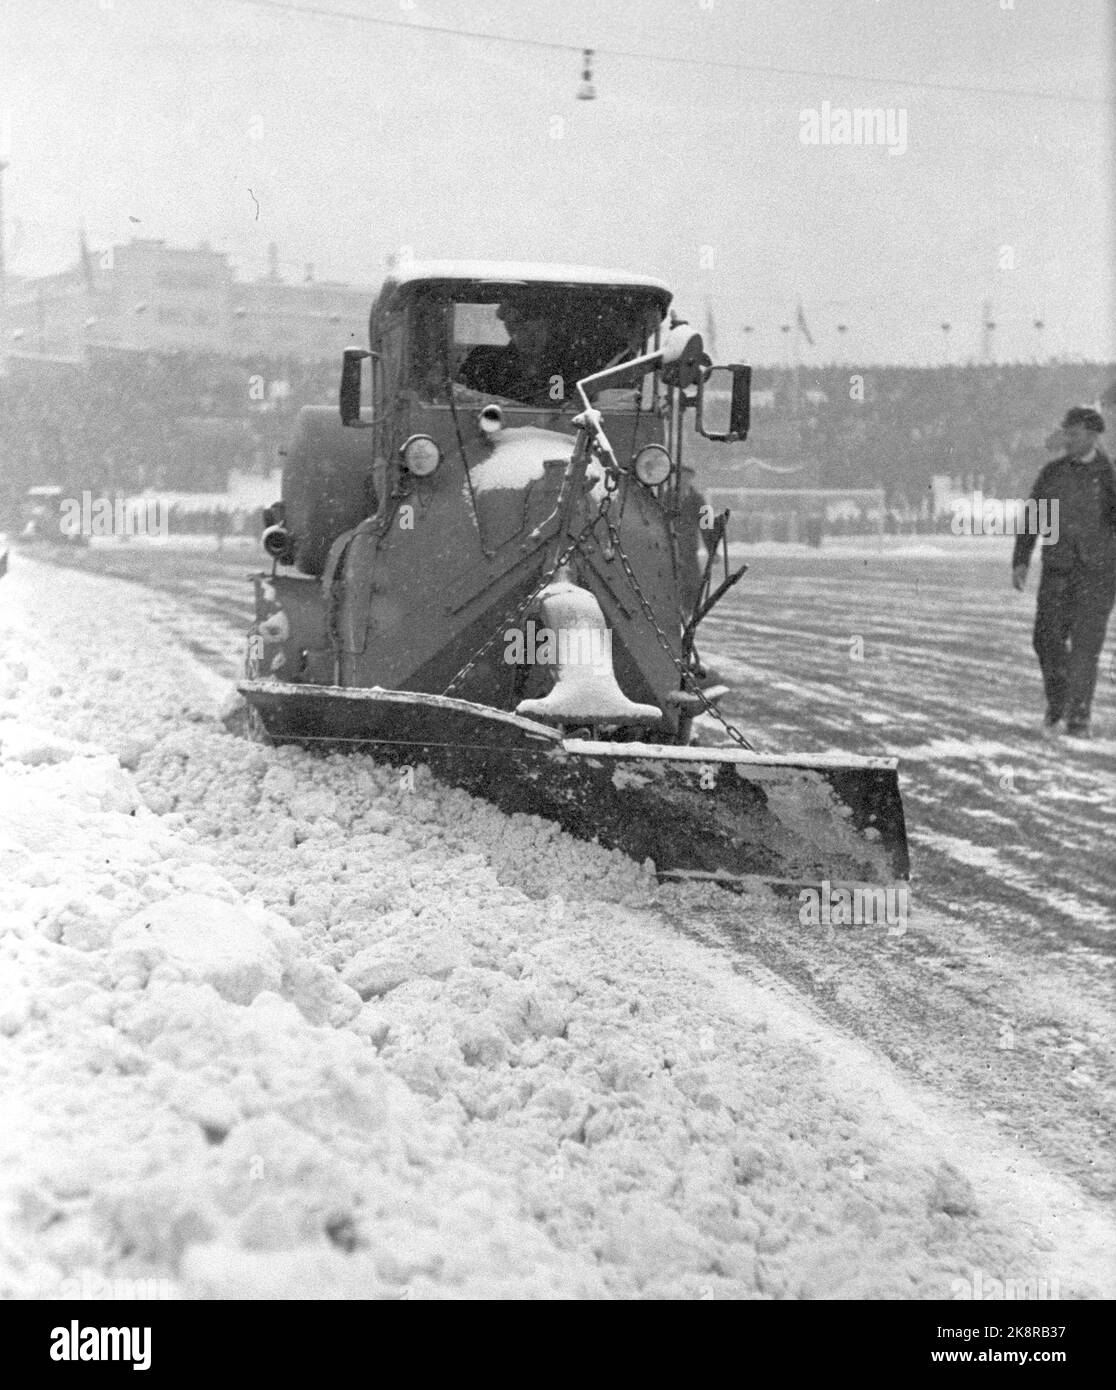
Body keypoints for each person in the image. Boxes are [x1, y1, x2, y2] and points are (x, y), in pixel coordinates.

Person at [1012, 406, 1116, 737]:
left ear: (1092, 435)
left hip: (1098, 574)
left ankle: (1078, 716)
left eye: (1074, 434)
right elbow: (1033, 517)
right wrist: (1021, 558)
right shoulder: (1053, 473)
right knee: (1046, 639)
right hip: (1057, 570)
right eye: (1066, 433)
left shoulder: (1110, 476)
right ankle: (1059, 701)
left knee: (1086, 647)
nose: (1067, 439)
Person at [457, 297, 566, 406]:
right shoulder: (483, 361)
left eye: (538, 328)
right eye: (520, 326)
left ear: (549, 327)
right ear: (509, 327)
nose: (529, 336)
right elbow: (463, 400)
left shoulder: (562, 365)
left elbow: (561, 408)